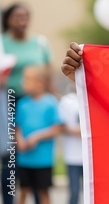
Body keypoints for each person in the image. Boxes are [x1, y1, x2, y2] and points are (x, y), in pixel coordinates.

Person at [1, 3, 52, 204]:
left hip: (37, 104)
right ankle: (9, 199)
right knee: (11, 156)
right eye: (17, 16)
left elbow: (48, 76)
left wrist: (50, 100)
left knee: (34, 150)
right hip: (10, 102)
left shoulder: (40, 43)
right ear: (8, 20)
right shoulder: (2, 42)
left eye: (26, 15)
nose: (22, 19)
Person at [15, 65, 62, 204]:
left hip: (43, 160)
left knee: (43, 191)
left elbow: (57, 128)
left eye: (27, 80)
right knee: (23, 190)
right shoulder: (22, 103)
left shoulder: (50, 103)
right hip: (25, 159)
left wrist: (36, 137)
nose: (23, 83)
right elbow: (17, 127)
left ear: (40, 83)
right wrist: (19, 141)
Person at [59, 84, 82, 204]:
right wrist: (82, 131)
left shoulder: (96, 98)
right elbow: (61, 126)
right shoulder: (67, 101)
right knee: (74, 191)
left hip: (93, 156)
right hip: (73, 156)